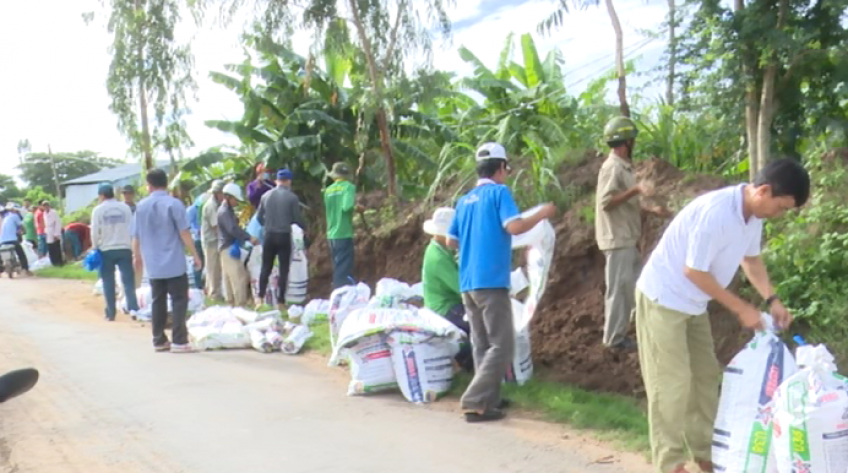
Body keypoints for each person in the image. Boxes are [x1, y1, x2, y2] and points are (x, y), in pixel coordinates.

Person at [634, 158, 810, 473]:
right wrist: (741, 307)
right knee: (670, 384)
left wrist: (772, 299)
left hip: (694, 304)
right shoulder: (716, 214)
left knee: (704, 379)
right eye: (781, 207)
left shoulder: (752, 217)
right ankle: (670, 463)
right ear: (764, 191)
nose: (779, 214)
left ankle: (706, 456)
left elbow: (751, 260)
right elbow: (694, 271)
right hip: (663, 298)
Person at [447, 143, 556, 423]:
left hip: (468, 282)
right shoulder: (499, 193)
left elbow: (450, 241)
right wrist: (542, 212)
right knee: (503, 345)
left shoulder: (464, 200)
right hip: (491, 281)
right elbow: (515, 227)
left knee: (481, 343)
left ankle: (488, 400)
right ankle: (473, 399)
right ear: (500, 168)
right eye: (507, 168)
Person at [595, 116, 671, 351]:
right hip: (618, 240)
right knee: (619, 291)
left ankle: (642, 330)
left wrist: (651, 209)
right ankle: (613, 340)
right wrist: (637, 189)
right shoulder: (613, 167)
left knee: (641, 285)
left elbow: (623, 203)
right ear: (626, 141)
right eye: (632, 139)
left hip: (627, 238)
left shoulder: (622, 167)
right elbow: (606, 202)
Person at [132, 169, 202, 353]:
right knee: (179, 300)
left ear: (149, 185)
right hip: (174, 262)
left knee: (157, 300)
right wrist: (195, 254)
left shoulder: (141, 207)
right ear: (166, 183)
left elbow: (136, 235)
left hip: (153, 264)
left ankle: (158, 339)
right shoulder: (174, 204)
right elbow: (184, 232)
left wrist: (136, 256)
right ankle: (179, 340)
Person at [421, 206, 473, 372]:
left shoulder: (441, 250)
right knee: (482, 325)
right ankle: (461, 363)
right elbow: (461, 287)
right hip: (445, 308)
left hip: (448, 303)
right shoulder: (438, 258)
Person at [256, 169, 306, 310]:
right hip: (284, 235)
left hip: (269, 235)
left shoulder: (265, 196)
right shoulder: (292, 198)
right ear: (289, 181)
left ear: (277, 181)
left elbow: (259, 217)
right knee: (284, 269)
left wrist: (267, 225)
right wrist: (305, 228)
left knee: (266, 267)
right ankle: (280, 301)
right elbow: (296, 219)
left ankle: (259, 298)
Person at [91, 183, 139, 322]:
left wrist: (95, 247)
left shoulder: (98, 210)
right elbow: (132, 228)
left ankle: (110, 313)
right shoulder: (125, 208)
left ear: (101, 195)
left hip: (106, 249)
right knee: (128, 281)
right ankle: (133, 309)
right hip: (125, 248)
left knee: (108, 282)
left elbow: (94, 231)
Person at [217, 182, 258, 307]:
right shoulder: (224, 212)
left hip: (226, 248)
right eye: (235, 200)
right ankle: (240, 305)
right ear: (228, 197)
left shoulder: (226, 210)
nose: (236, 203)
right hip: (228, 248)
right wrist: (248, 237)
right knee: (239, 277)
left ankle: (232, 305)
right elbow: (233, 229)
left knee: (229, 279)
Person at [323, 162, 361, 289]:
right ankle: (340, 292)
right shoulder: (348, 187)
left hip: (331, 233)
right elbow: (347, 207)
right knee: (343, 267)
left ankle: (337, 290)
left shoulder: (328, 190)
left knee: (337, 264)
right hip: (343, 232)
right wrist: (357, 208)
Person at [201, 180, 225, 301]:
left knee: (216, 268)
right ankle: (214, 294)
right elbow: (216, 227)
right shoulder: (211, 206)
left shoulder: (219, 204)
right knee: (213, 268)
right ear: (217, 193)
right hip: (211, 241)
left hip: (215, 240)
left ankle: (213, 291)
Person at [0, 203, 31, 276]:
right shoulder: (15, 216)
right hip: (12, 240)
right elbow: (21, 227)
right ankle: (25, 269)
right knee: (21, 253)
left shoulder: (5, 218)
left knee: (2, 253)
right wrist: (24, 231)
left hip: (2, 241)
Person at [186, 193, 206, 290]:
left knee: (204, 262)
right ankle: (198, 285)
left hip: (203, 238)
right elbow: (187, 226)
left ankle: (203, 283)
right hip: (196, 239)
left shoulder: (202, 209)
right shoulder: (191, 210)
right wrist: (196, 230)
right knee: (198, 261)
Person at [43, 201, 63, 267]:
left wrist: (56, 234)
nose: (45, 207)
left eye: (46, 205)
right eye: (44, 206)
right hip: (48, 231)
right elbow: (45, 224)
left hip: (54, 231)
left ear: (49, 206)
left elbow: (58, 223)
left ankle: (59, 263)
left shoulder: (54, 212)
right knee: (51, 249)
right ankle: (54, 263)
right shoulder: (44, 214)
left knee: (56, 248)